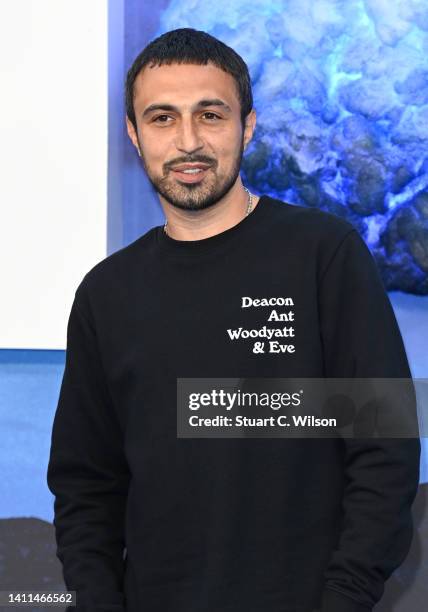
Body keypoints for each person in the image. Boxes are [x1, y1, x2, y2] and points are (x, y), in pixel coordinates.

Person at [47, 28, 420, 612]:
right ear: (133, 132)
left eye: (211, 115)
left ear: (247, 125)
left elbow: (384, 448)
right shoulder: (107, 293)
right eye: (163, 118)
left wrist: (344, 598)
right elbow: (86, 484)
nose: (188, 141)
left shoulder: (324, 254)